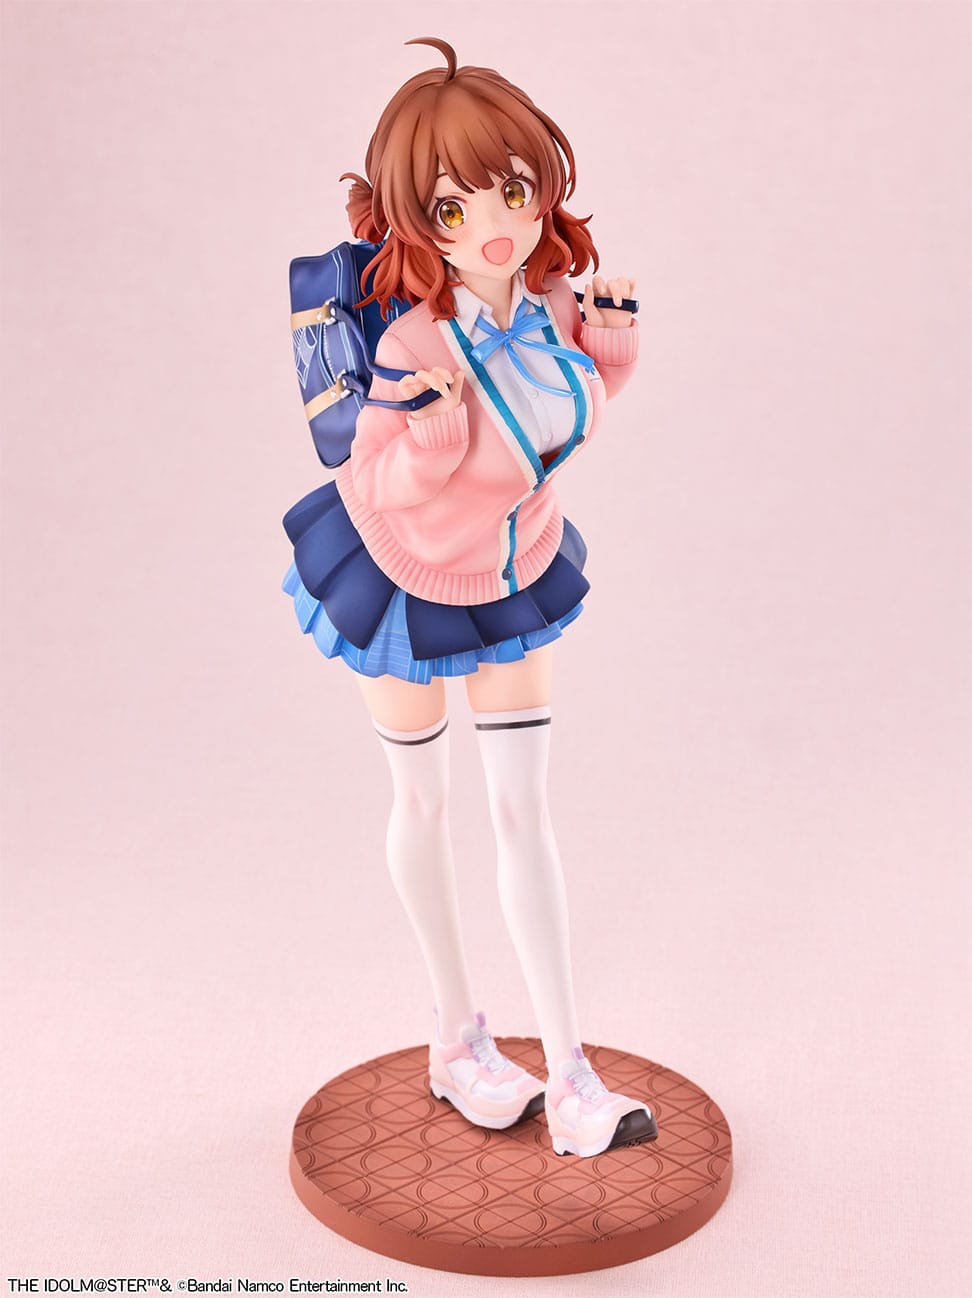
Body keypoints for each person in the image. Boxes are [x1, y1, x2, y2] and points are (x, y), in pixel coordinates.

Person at [282, 36, 657, 1157]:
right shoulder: (411, 338)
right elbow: (372, 479)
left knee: (523, 809)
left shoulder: (549, 302)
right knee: (425, 803)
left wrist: (611, 350)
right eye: (454, 208)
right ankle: (456, 1036)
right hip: (402, 575)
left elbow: (558, 420)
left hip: (512, 571)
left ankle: (572, 1070)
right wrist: (432, 437)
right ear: (416, 221)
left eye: (513, 190)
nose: (495, 224)